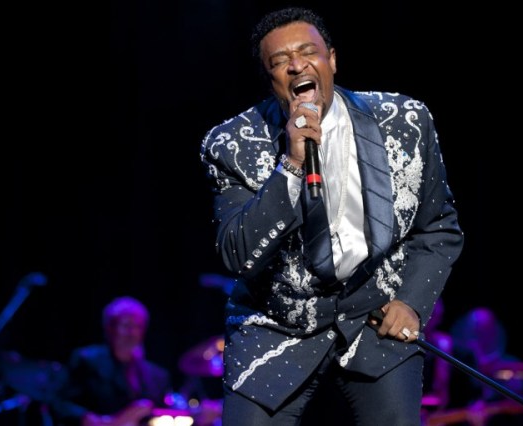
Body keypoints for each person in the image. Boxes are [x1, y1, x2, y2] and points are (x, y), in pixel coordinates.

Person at [199, 7, 464, 425]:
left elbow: (439, 227)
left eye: (308, 52)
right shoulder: (232, 143)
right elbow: (238, 254)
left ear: (332, 60)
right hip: (277, 322)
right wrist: (289, 165)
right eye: (280, 61)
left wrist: (412, 303)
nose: (297, 65)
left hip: (376, 313)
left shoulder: (405, 121)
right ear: (271, 82)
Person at [50, 296, 221, 426]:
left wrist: (196, 415)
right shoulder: (87, 360)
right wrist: (94, 420)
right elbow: (60, 403)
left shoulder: (156, 376)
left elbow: (163, 415)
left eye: (137, 326)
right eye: (125, 325)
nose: (131, 332)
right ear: (110, 328)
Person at [446, 306, 523, 426]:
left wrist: (491, 409)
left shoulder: (510, 363)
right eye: (475, 330)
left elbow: (520, 403)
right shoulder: (457, 366)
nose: (480, 336)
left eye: (486, 330)